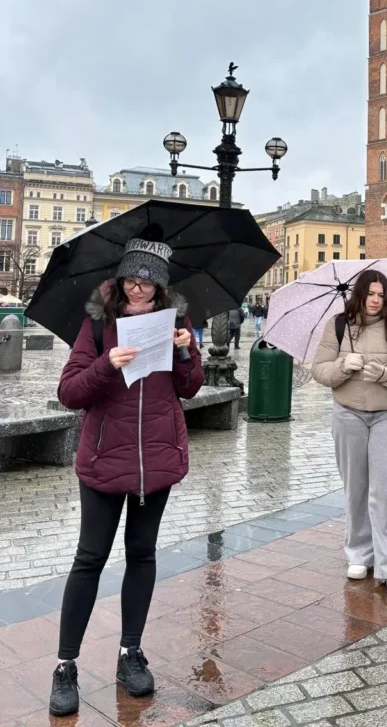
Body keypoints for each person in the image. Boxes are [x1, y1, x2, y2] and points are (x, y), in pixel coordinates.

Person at [49, 237, 204, 717]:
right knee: (90, 558)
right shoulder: (97, 326)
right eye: (132, 281)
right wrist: (105, 365)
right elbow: (69, 393)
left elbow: (191, 388)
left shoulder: (177, 323)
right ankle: (65, 665)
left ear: (162, 287)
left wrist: (186, 353)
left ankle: (130, 653)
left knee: (142, 555)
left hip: (155, 460)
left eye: (149, 283)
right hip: (103, 459)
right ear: (119, 282)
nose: (139, 291)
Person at [312, 270, 387, 598]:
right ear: (360, 294)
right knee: (356, 487)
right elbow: (319, 369)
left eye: (382, 294)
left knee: (386, 490)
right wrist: (344, 366)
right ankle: (359, 553)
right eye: (371, 294)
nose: (376, 300)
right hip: (348, 414)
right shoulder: (338, 325)